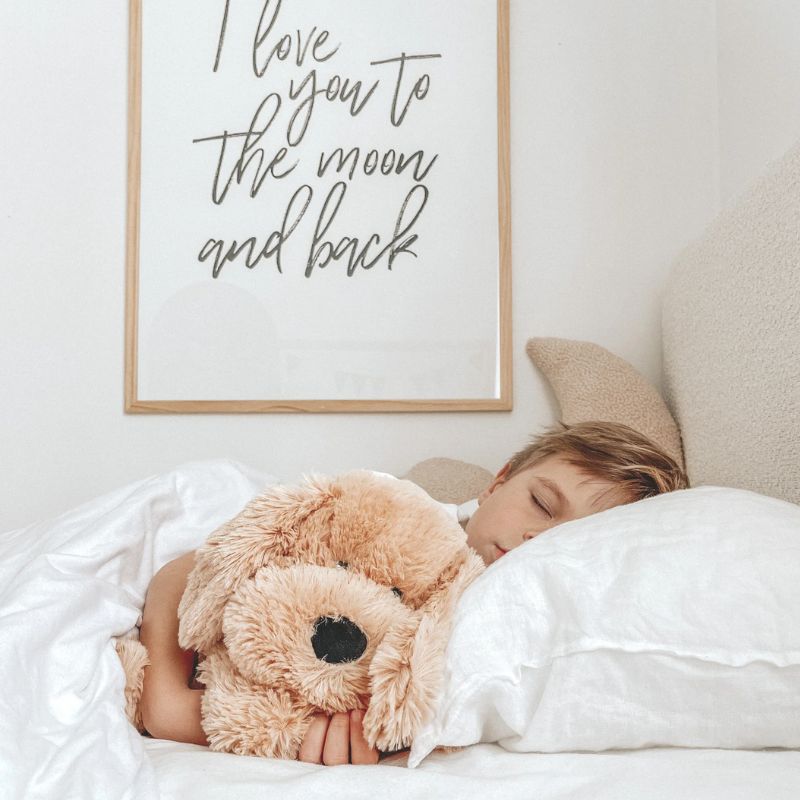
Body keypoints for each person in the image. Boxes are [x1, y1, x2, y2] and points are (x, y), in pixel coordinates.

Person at [137, 420, 688, 764]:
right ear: (497, 482)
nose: (535, 539)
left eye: (572, 541)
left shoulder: (527, 626)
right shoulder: (389, 516)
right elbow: (194, 567)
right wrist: (168, 700)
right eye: (541, 504)